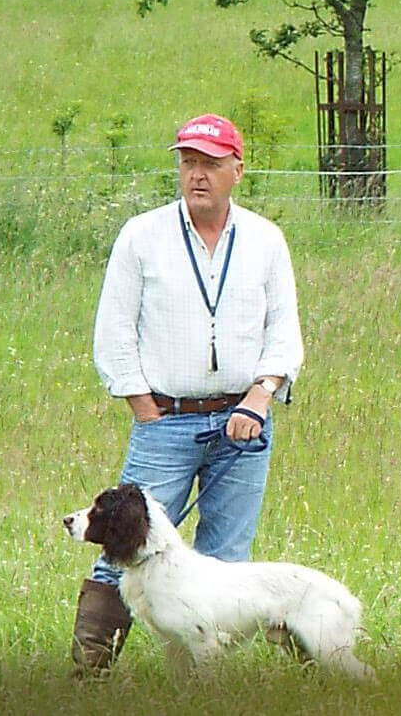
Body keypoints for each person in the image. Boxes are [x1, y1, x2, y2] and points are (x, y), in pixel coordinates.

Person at [71, 113, 304, 676]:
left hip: (244, 421)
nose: (197, 175)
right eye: (188, 163)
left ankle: (207, 679)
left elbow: (285, 333)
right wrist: (141, 405)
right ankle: (90, 666)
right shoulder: (142, 235)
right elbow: (114, 329)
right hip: (166, 420)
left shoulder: (266, 239)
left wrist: (261, 396)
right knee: (121, 542)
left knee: (226, 557)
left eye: (210, 164)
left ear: (237, 171)